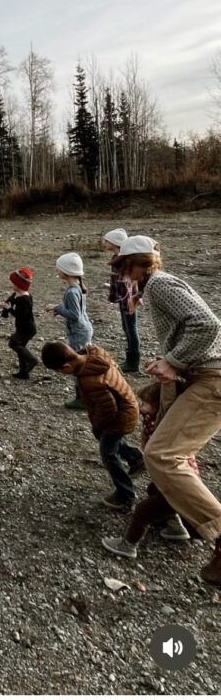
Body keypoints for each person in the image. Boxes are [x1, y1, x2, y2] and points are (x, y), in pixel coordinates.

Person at [108, 234, 221, 585]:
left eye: (121, 265)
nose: (120, 273)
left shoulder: (158, 283)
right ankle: (176, 521)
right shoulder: (157, 285)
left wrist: (172, 361)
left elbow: (208, 325)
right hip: (203, 377)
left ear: (135, 263)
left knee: (162, 455)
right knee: (170, 454)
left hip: (211, 379)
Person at [41, 340, 143, 510]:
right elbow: (86, 349)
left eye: (60, 371)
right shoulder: (95, 353)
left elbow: (108, 411)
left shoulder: (91, 382)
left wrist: (97, 424)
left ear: (66, 367)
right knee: (105, 439)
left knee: (108, 453)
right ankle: (136, 458)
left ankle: (126, 495)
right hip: (127, 405)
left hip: (121, 417)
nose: (62, 374)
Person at [101, 381, 194, 558]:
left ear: (159, 407)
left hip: (177, 482)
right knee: (154, 491)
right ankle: (176, 527)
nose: (140, 408)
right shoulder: (159, 423)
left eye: (144, 404)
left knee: (142, 511)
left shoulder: (167, 427)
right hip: (173, 481)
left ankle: (128, 545)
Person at [45, 252, 93, 409]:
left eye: (58, 269)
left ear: (66, 272)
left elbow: (75, 315)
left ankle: (82, 398)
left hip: (78, 332)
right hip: (84, 329)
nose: (57, 271)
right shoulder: (78, 287)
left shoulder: (72, 291)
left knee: (77, 363)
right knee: (84, 361)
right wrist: (61, 310)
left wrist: (57, 307)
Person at [103, 228, 142, 373]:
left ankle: (133, 362)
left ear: (115, 242)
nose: (105, 243)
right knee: (127, 327)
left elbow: (127, 283)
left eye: (107, 241)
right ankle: (131, 358)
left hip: (127, 299)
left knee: (131, 328)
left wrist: (129, 300)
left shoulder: (122, 260)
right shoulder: (119, 258)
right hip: (124, 298)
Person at [0, 266, 38, 379]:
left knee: (14, 343)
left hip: (26, 329)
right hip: (24, 328)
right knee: (21, 349)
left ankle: (32, 360)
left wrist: (10, 309)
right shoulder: (21, 296)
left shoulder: (24, 300)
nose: (10, 284)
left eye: (12, 282)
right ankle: (24, 372)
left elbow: (21, 316)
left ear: (18, 284)